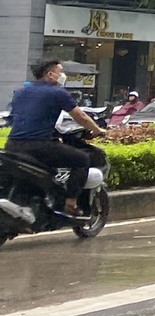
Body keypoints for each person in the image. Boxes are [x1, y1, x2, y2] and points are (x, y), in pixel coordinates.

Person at [4, 58, 108, 215]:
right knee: (82, 159)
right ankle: (71, 203)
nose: (63, 75)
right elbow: (80, 117)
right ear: (50, 74)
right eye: (61, 72)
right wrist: (97, 129)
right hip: (38, 147)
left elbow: (21, 118)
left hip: (12, 145)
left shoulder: (20, 92)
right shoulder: (58, 92)